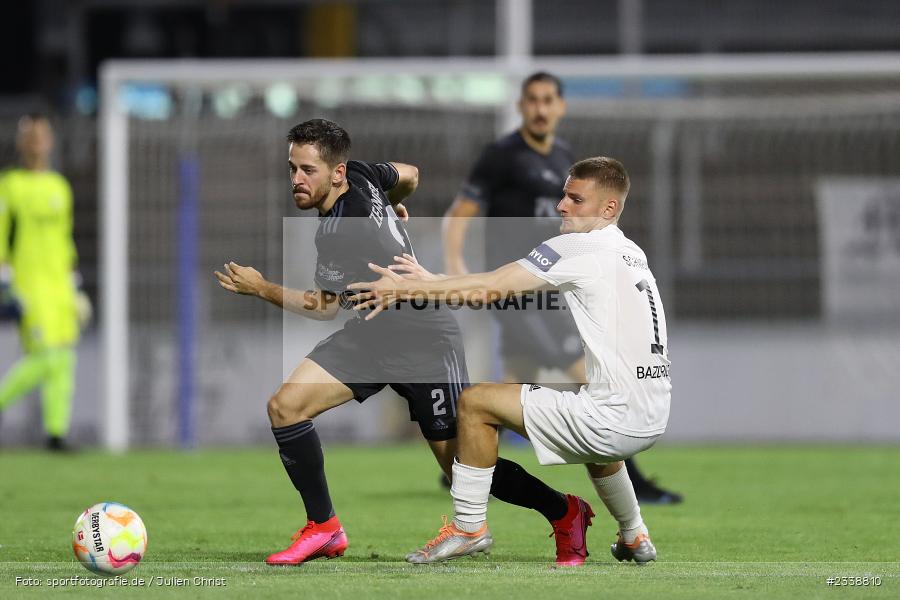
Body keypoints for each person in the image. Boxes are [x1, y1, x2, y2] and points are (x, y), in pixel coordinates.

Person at [215, 119, 597, 567]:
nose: (296, 180)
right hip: (371, 338)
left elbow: (323, 307)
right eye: (292, 168)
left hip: (424, 342)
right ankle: (324, 528)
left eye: (307, 171)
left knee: (465, 470)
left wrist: (260, 287)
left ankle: (565, 510)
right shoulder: (362, 173)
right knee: (285, 408)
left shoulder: (341, 230)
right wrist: (394, 203)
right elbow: (411, 174)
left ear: (336, 174)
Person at [352, 157, 669, 564]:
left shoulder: (576, 247)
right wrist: (429, 280)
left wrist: (405, 290)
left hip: (613, 420)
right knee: (601, 439)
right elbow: (492, 286)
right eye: (563, 195)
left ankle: (469, 528)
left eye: (576, 199)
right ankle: (635, 534)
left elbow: (490, 289)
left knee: (475, 402)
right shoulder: (629, 251)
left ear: (608, 208)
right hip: (653, 413)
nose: (561, 206)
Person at [443, 71, 681, 505]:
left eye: (548, 100)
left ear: (560, 106)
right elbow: (460, 213)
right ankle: (636, 483)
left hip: (559, 286)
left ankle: (461, 460)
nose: (540, 108)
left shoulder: (567, 160)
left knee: (512, 381)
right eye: (532, 100)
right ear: (521, 106)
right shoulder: (501, 156)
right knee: (589, 378)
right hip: (523, 292)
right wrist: (456, 268)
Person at [0, 113, 88, 451]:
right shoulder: (10, 185)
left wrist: (74, 283)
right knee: (47, 356)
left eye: (42, 136)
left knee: (64, 358)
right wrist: (5, 283)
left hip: (59, 286)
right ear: (21, 142)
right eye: (31, 136)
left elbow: (65, 239)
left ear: (50, 141)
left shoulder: (59, 187)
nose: (37, 142)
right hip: (28, 284)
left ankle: (55, 433)